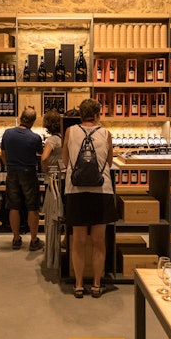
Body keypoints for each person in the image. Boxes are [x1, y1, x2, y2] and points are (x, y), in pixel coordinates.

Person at [62, 98, 116, 298]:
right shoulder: (106, 134)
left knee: (78, 240)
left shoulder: (70, 132)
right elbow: (109, 162)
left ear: (80, 115)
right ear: (97, 115)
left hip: (75, 191)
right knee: (99, 240)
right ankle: (96, 284)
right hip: (101, 191)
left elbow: (66, 162)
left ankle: (78, 285)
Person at [1, 106, 44, 251]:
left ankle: (16, 239)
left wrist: (9, 165)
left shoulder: (7, 133)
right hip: (28, 173)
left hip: (12, 172)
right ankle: (34, 240)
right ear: (33, 121)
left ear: (20, 118)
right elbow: (40, 154)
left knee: (14, 206)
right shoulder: (35, 138)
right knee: (32, 206)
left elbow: (3, 154)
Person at [40, 109, 62, 174]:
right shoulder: (64, 137)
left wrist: (45, 169)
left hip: (53, 174)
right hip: (62, 172)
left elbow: (44, 158)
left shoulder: (52, 140)